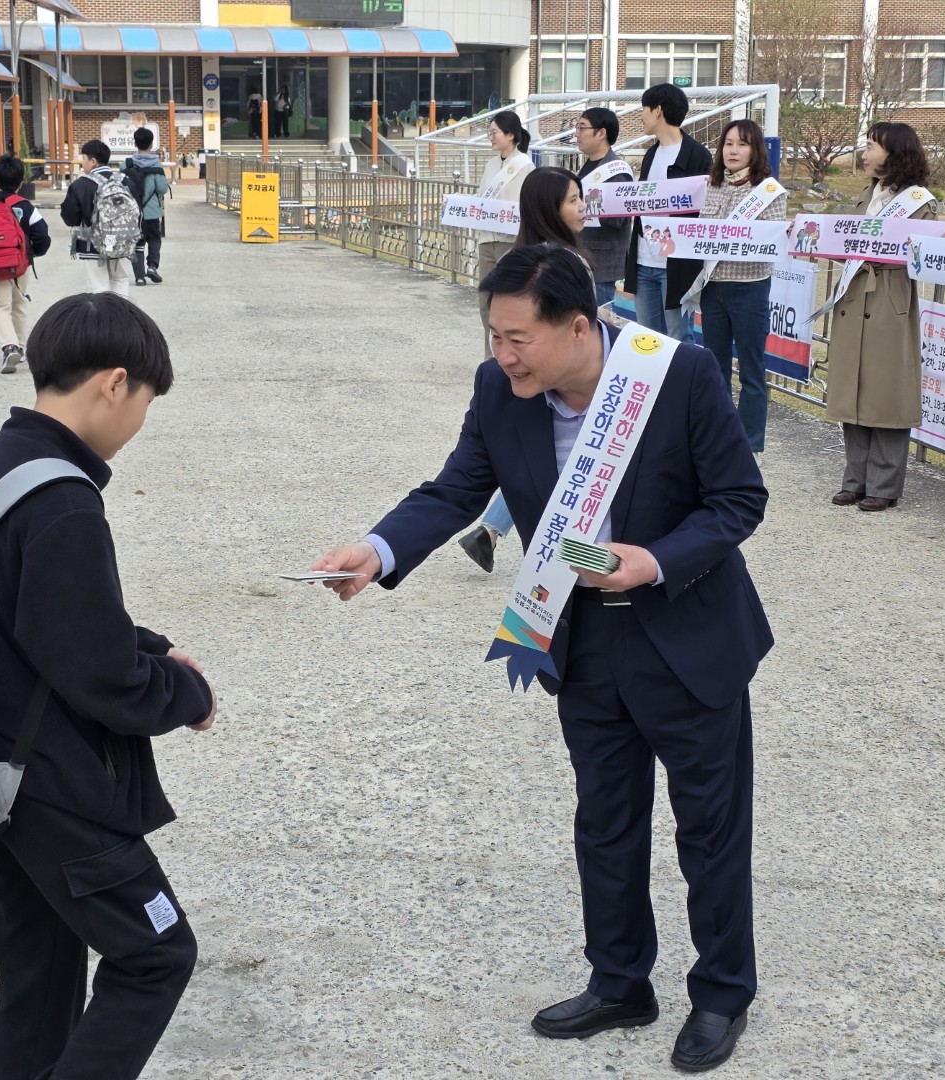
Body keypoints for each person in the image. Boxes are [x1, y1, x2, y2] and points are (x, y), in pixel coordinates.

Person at [312, 246, 770, 1073]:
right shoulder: (502, 391)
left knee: (709, 827)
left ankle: (723, 993)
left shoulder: (678, 376)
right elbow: (456, 488)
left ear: (580, 325)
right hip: (583, 638)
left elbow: (739, 499)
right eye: (493, 336)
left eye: (519, 338)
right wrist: (379, 550)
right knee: (605, 821)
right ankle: (621, 980)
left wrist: (656, 559)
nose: (503, 355)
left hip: (686, 636)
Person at [0, 291, 217, 1079]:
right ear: (114, 383)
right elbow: (98, 674)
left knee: (41, 973)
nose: (139, 420)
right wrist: (185, 696)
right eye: (144, 401)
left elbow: (25, 617)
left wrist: (152, 651)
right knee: (157, 953)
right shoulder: (62, 499)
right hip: (56, 783)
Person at [459, 167, 591, 572]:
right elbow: (454, 487)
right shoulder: (564, 267)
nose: (582, 207)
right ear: (547, 207)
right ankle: (558, 558)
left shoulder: (517, 261)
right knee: (558, 471)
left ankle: (494, 533)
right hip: (553, 393)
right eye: (572, 200)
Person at [825, 122, 939, 511]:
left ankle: (884, 485)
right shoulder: (865, 196)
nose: (865, 152)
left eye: (871, 146)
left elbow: (923, 257)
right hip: (854, 295)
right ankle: (854, 479)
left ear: (895, 152)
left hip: (890, 296)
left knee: (886, 391)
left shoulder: (919, 201)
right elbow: (845, 244)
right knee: (853, 388)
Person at [696, 120, 787, 458]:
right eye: (728, 143)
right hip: (712, 285)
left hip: (749, 287)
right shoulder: (713, 185)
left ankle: (750, 443)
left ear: (755, 149)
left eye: (742, 144)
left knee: (751, 369)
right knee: (715, 367)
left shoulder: (769, 190)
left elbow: (770, 240)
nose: (733, 150)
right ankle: (719, 437)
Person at [622, 84, 711, 342]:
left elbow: (704, 210)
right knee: (648, 339)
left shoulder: (697, 155)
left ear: (658, 110)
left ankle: (679, 384)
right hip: (643, 262)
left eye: (644, 109)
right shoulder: (651, 154)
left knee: (678, 338)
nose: (642, 116)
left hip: (676, 265)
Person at [0, 152, 52, 375]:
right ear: (21, 182)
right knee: (19, 303)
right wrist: (34, 253)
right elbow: (42, 234)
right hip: (20, 263)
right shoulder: (26, 207)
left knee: (0, 305)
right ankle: (20, 346)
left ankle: (9, 347)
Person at [476, 110, 536, 357]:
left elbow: (527, 206)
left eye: (494, 132)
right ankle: (490, 356)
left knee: (505, 301)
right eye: (488, 132)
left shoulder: (525, 166)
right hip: (486, 240)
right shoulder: (491, 164)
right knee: (485, 301)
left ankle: (507, 356)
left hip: (509, 241)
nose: (490, 137)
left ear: (510, 135)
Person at [575, 107, 633, 311]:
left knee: (598, 326)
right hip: (580, 257)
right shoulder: (587, 166)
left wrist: (582, 207)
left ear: (601, 133)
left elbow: (619, 219)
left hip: (602, 265)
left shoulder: (617, 170)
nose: (576, 133)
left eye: (582, 127)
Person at [60, 140, 133, 297]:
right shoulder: (125, 181)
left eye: (84, 158)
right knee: (120, 279)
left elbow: (69, 218)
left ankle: (102, 319)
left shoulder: (80, 185)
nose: (82, 162)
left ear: (93, 161)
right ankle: (121, 318)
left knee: (98, 284)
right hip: (122, 240)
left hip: (92, 244)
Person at [124, 127, 170, 286]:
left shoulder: (127, 163)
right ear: (151, 144)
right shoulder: (156, 164)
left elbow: (120, 185)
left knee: (136, 243)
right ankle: (152, 267)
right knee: (154, 239)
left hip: (132, 211)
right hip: (151, 212)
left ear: (135, 143)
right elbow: (162, 189)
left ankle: (139, 277)